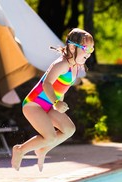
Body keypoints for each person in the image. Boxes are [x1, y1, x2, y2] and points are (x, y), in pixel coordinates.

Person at [11, 28, 94, 171]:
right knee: (49, 136)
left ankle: (42, 150)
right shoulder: (61, 64)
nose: (88, 53)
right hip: (34, 104)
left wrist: (58, 102)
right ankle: (20, 150)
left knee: (69, 129)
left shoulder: (75, 66)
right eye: (86, 49)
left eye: (91, 50)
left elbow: (61, 87)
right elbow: (47, 83)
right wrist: (57, 102)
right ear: (72, 47)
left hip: (49, 105)